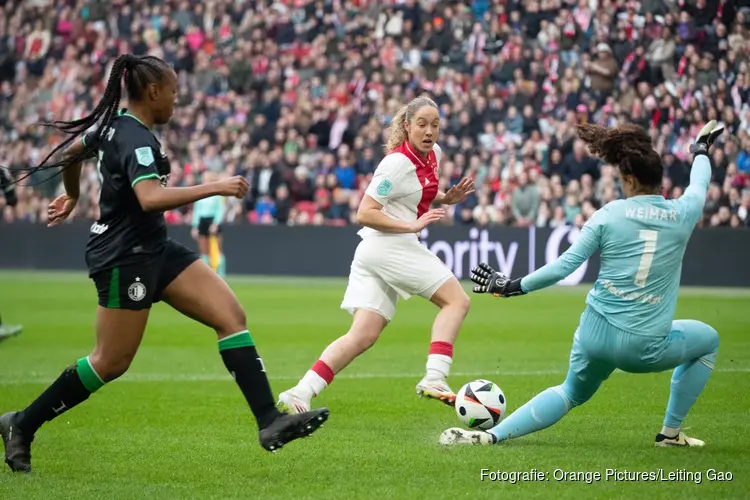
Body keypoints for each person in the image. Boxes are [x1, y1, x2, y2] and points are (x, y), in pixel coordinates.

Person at [0, 54, 328, 474]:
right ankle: (22, 423)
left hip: (155, 247)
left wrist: (75, 195)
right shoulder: (135, 137)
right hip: (123, 257)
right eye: (173, 92)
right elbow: (150, 198)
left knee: (230, 315)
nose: (177, 100)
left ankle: (269, 422)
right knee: (111, 361)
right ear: (153, 92)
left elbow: (71, 153)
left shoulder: (112, 126)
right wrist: (216, 187)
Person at [440, 120, 724, 448]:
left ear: (629, 179)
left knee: (570, 392)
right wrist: (700, 150)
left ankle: (491, 436)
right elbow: (699, 184)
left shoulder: (609, 214)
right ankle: (670, 434)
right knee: (709, 340)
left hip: (595, 334)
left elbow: (565, 266)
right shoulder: (684, 212)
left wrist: (511, 285)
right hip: (644, 347)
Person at [278, 95, 475, 413]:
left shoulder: (433, 154)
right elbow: (365, 212)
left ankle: (300, 392)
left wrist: (445, 198)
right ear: (408, 126)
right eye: (422, 124)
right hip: (388, 246)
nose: (429, 131)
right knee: (457, 301)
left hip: (376, 251)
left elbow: (418, 192)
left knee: (363, 335)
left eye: (435, 125)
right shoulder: (396, 163)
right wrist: (411, 226)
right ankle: (435, 377)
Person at [191, 171, 227, 278]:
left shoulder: (217, 194)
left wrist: (216, 223)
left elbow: (220, 209)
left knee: (218, 248)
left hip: (213, 220)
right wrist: (195, 225)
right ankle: (206, 274)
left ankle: (221, 273)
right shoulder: (200, 193)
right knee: (203, 249)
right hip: (202, 220)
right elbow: (197, 210)